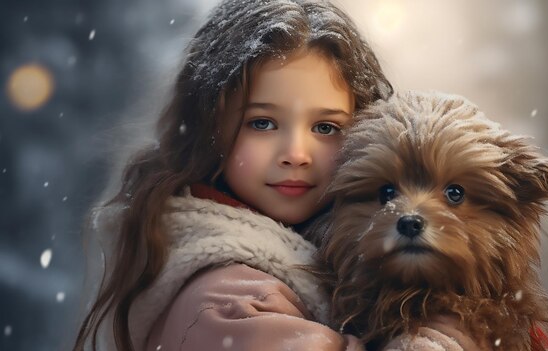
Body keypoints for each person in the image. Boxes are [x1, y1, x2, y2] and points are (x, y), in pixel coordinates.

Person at [73, 1, 482, 350]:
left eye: (326, 128)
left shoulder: (323, 252)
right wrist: (459, 328)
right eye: (263, 123)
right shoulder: (228, 302)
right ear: (209, 130)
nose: (296, 154)